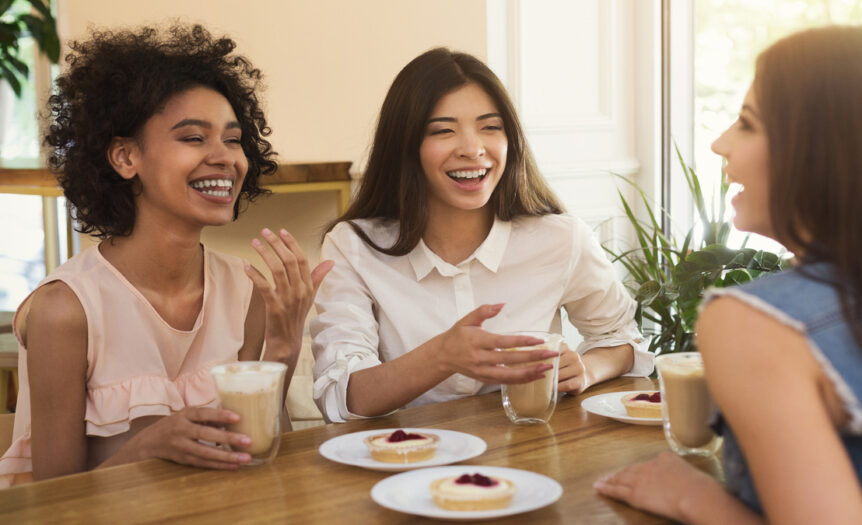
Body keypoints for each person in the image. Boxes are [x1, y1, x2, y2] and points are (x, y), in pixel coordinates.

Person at [0, 24, 332, 486]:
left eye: (233, 140)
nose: (225, 158)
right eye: (194, 138)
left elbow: (257, 460)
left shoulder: (246, 291)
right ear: (124, 157)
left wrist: (283, 346)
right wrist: (148, 448)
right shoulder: (65, 311)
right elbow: (51, 504)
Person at [594, 26, 862, 524]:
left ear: (821, 150)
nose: (719, 144)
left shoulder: (756, 322)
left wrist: (692, 497)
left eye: (748, 123)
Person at [310, 48, 652, 422]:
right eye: (443, 131)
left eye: (491, 127)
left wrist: (587, 370)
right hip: (405, 461)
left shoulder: (560, 238)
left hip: (527, 457)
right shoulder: (353, 247)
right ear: (405, 146)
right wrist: (441, 355)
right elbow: (341, 396)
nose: (473, 150)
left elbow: (622, 340)